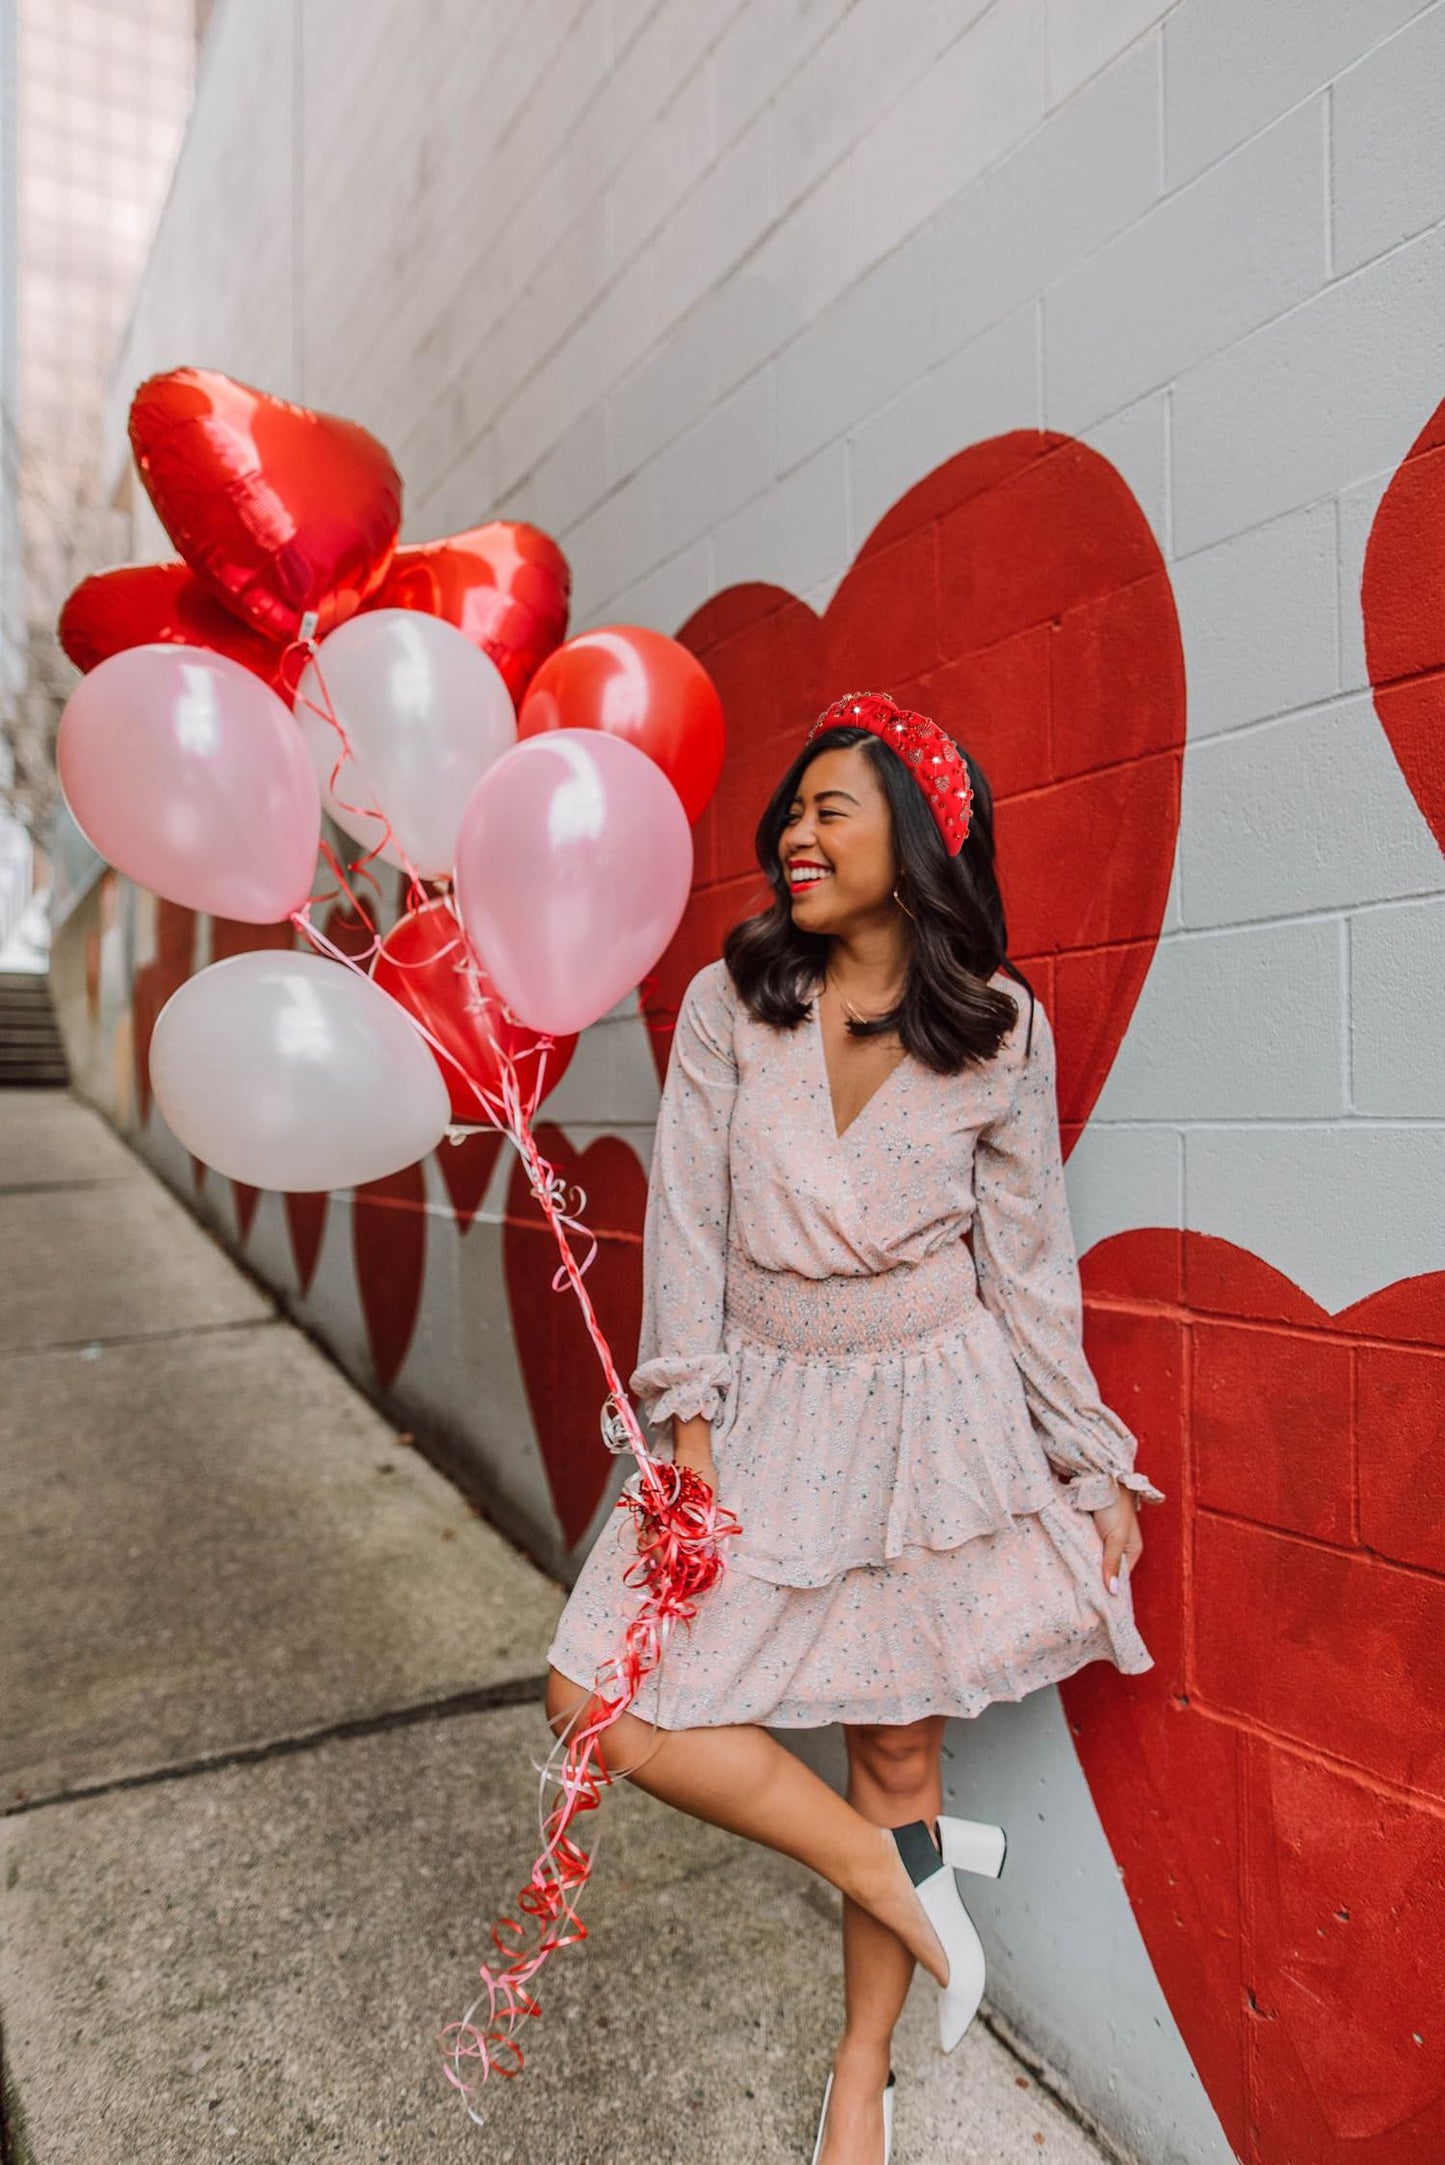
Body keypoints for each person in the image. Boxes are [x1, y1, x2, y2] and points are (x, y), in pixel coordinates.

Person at [544, 691, 1166, 2165]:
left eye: (831, 807)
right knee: (599, 1699)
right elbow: (686, 1223)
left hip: (931, 1416)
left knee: (895, 1752)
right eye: (791, 810)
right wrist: (685, 1424)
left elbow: (1026, 1264)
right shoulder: (729, 1000)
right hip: (758, 1404)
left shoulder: (998, 1028)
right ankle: (904, 1882)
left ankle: (860, 2074)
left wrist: (1088, 1456)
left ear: (920, 836)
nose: (793, 835)